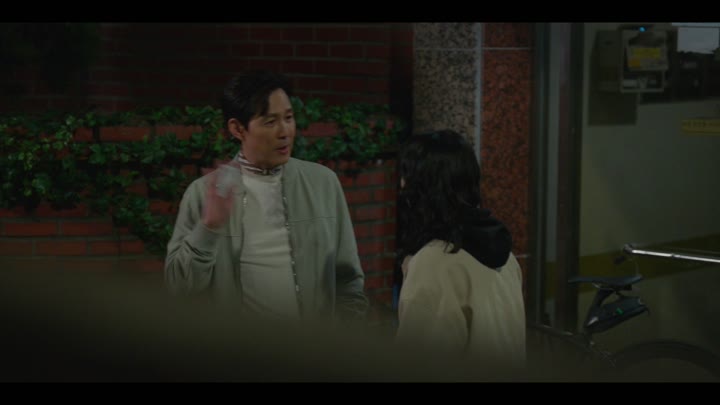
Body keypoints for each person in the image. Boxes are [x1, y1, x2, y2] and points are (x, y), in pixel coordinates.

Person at [164, 70, 368, 323]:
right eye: (270, 122)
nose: (285, 132)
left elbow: (349, 281)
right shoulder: (204, 192)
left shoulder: (323, 183)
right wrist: (209, 227)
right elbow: (179, 289)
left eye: (289, 118)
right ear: (237, 128)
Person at [394, 129, 526, 369]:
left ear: (422, 188)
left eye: (406, 176)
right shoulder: (504, 255)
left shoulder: (435, 264)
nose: (401, 186)